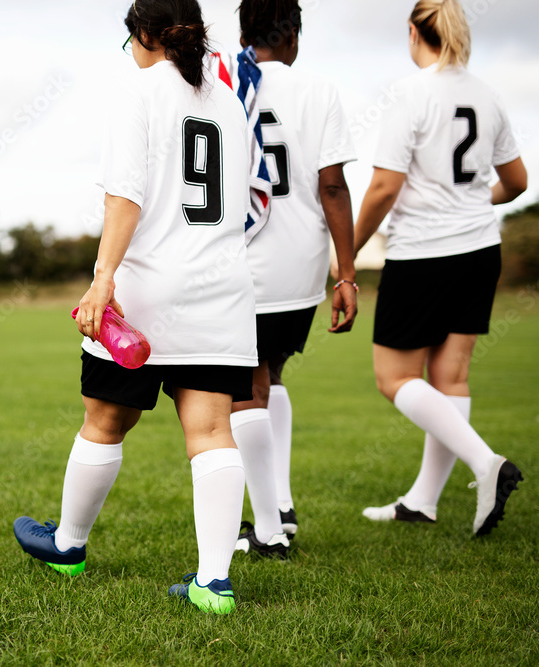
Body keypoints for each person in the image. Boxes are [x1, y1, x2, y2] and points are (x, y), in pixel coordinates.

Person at [13, 0, 258, 615]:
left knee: (104, 420)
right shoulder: (229, 102)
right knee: (211, 431)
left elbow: (124, 198)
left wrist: (102, 278)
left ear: (145, 35)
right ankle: (214, 583)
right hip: (222, 291)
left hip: (149, 293)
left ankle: (68, 545)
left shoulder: (138, 92)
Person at [354, 0, 527, 536]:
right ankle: (423, 501)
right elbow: (517, 182)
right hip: (480, 251)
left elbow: (384, 187)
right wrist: (470, 203)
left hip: (423, 255)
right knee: (451, 377)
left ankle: (486, 464)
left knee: (394, 377)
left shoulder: (410, 93)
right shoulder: (488, 94)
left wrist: (346, 251)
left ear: (413, 32)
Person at [215, 0, 358, 558]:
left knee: (245, 391)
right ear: (292, 33)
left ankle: (270, 531)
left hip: (242, 260)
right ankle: (282, 505)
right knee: (270, 376)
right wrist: (346, 274)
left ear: (247, 30)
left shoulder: (222, 82)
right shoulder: (319, 89)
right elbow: (333, 187)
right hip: (301, 265)